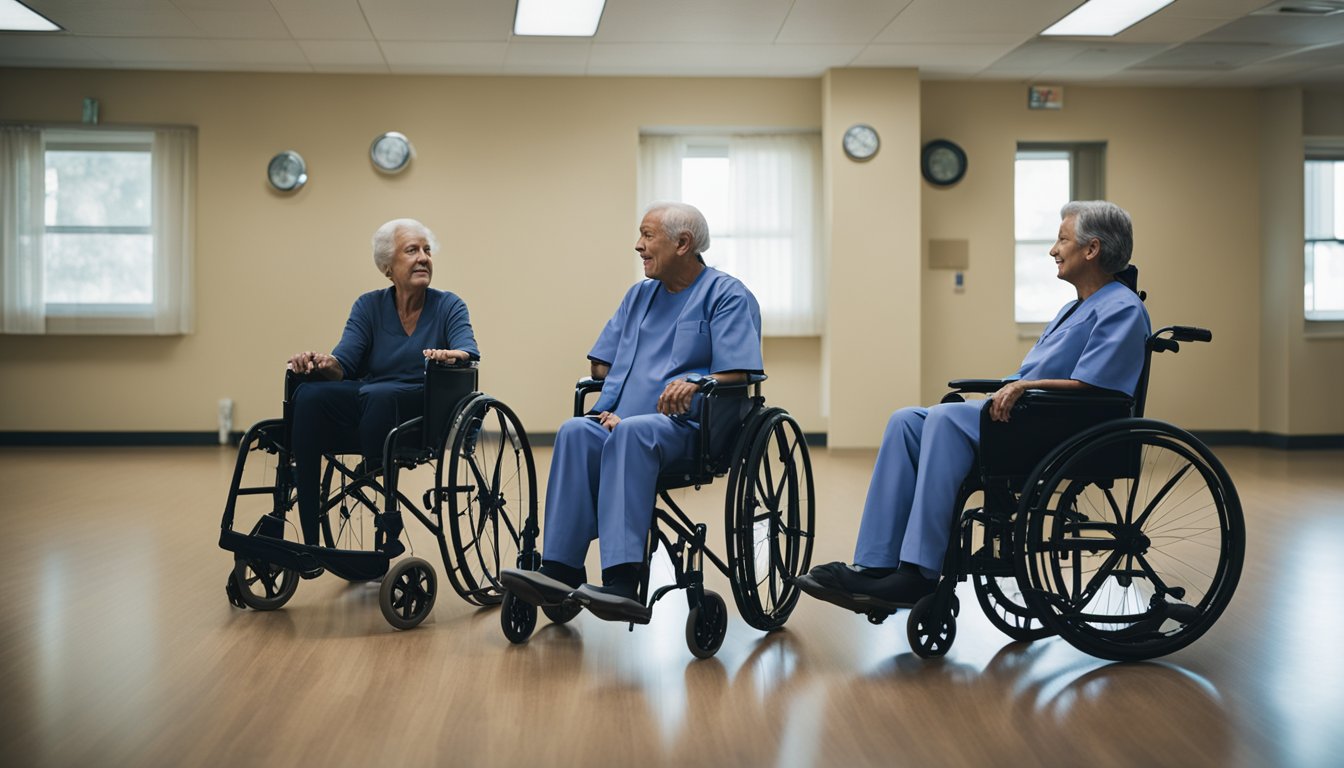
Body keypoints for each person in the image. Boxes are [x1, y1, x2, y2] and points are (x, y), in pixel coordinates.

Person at [797, 200, 1151, 612]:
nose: (1054, 249)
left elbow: (1098, 388)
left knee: (946, 418)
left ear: (1091, 249)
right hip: (1032, 417)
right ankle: (875, 566)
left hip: (1064, 428)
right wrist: (1019, 387)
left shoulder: (1122, 308)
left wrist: (1025, 386)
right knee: (906, 421)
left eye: (1062, 240)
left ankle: (918, 572)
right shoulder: (1073, 308)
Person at [501, 202, 763, 623]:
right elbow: (601, 363)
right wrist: (616, 402)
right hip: (625, 423)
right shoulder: (640, 295)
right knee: (574, 432)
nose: (638, 246)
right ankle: (561, 568)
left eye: (647, 236)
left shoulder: (727, 294)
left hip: (691, 428)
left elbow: (740, 370)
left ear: (683, 243)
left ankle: (623, 578)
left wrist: (694, 382)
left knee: (631, 435)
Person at [287, 218, 479, 555]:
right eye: (412, 250)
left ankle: (375, 468)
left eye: (427, 250)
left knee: (378, 394)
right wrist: (320, 363)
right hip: (372, 399)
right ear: (388, 268)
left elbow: (468, 350)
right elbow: (343, 364)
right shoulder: (368, 305)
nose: (423, 258)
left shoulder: (449, 305)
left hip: (422, 402)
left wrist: (452, 355)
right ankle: (308, 532)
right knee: (308, 394)